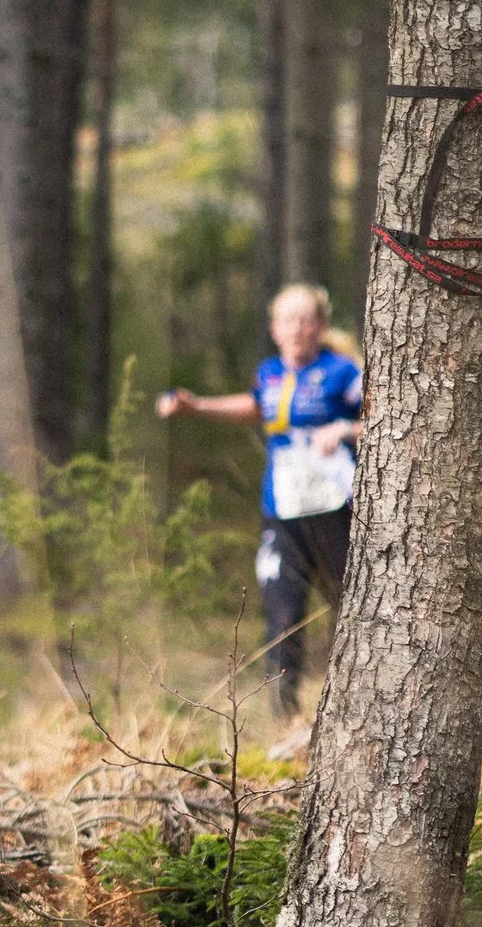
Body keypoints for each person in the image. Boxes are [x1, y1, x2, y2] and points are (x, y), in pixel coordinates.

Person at [155, 283, 362, 722]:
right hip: (283, 515)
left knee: (352, 610)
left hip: (336, 512)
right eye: (288, 320)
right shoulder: (269, 373)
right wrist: (198, 406)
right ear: (274, 328)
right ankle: (286, 721)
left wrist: (344, 430)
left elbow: (387, 421)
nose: (298, 329)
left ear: (321, 326)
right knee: (283, 614)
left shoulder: (343, 372)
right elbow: (255, 408)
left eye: (307, 320)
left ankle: (356, 713)